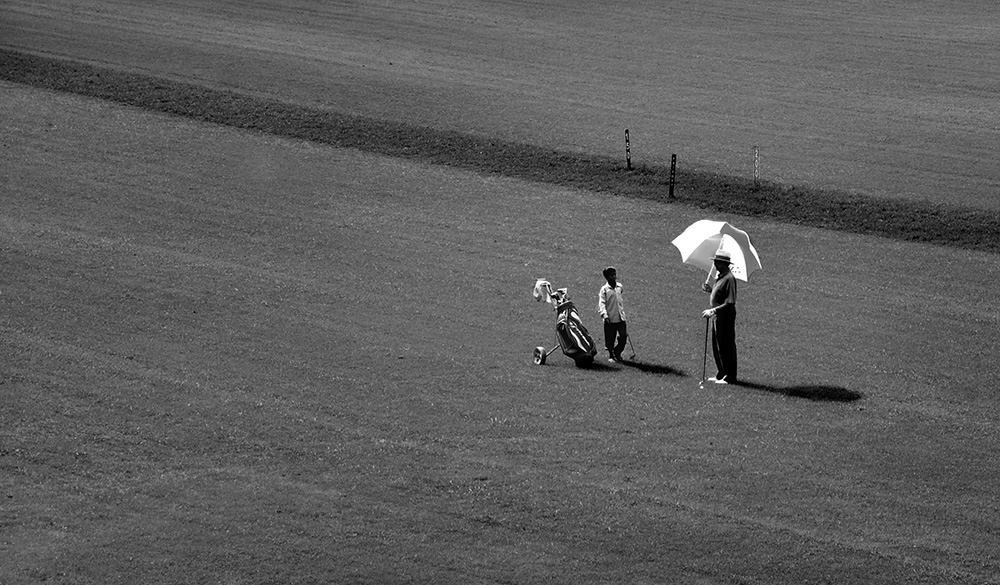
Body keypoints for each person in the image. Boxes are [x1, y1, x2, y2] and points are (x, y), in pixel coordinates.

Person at [701, 250, 737, 384]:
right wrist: (710, 290)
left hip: (725, 317)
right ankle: (721, 373)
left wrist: (713, 310)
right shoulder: (720, 276)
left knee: (726, 345)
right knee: (717, 345)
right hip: (718, 316)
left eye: (717, 262)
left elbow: (730, 302)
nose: (715, 264)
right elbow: (719, 295)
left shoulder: (729, 279)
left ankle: (730, 376)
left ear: (724, 264)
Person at [597, 266, 628, 363]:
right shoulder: (604, 290)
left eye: (614, 274)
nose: (614, 277)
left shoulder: (619, 287)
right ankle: (611, 355)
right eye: (611, 275)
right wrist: (604, 315)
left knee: (623, 336)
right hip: (610, 318)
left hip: (620, 317)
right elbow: (601, 303)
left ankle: (617, 351)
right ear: (606, 277)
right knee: (610, 337)